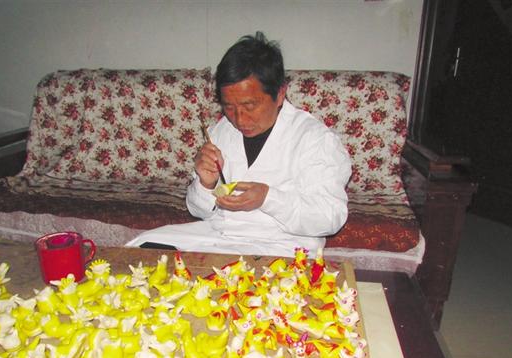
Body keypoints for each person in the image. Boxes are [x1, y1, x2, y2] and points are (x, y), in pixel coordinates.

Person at [126, 32, 351, 258]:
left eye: (250, 106)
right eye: (229, 107)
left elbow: (330, 218)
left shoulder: (315, 139)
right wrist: (205, 184)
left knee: (227, 275)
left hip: (281, 245)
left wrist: (267, 198)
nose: (240, 119)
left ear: (280, 93)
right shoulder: (221, 131)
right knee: (141, 247)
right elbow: (198, 210)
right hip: (219, 236)